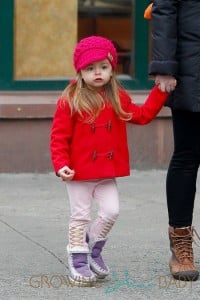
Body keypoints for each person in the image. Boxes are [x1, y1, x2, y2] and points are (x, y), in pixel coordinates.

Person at [50, 35, 170, 286]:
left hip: (105, 172)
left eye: (103, 68)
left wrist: (159, 92)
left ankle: (92, 249)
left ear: (112, 70)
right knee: (80, 216)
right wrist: (61, 164)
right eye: (90, 68)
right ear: (80, 71)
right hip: (79, 172)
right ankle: (78, 260)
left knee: (112, 210)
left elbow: (142, 116)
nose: (97, 73)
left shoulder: (117, 97)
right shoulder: (70, 99)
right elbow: (59, 137)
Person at [148, 0, 200, 281]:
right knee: (188, 155)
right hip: (193, 67)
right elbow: (165, 9)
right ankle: (180, 243)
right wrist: (165, 67)